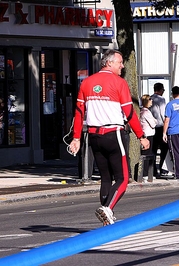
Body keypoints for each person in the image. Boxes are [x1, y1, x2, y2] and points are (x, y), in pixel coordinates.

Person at [69, 49, 150, 226]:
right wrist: (141, 136)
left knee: (106, 177)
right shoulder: (119, 82)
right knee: (123, 178)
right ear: (109, 63)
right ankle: (108, 208)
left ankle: (105, 215)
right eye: (120, 62)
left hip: (94, 136)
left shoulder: (87, 83)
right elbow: (129, 112)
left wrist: (76, 138)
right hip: (114, 134)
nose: (122, 66)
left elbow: (79, 112)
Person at [150, 82, 169, 177]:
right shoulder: (161, 99)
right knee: (164, 149)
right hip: (160, 126)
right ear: (161, 90)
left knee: (153, 150)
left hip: (151, 127)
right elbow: (163, 113)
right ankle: (162, 168)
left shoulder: (149, 98)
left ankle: (152, 170)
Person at [139, 94, 157, 180]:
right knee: (147, 154)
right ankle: (145, 173)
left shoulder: (143, 111)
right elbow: (153, 124)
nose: (152, 101)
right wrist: (155, 120)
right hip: (148, 134)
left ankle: (146, 173)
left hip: (146, 133)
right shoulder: (146, 112)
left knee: (147, 154)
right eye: (150, 100)